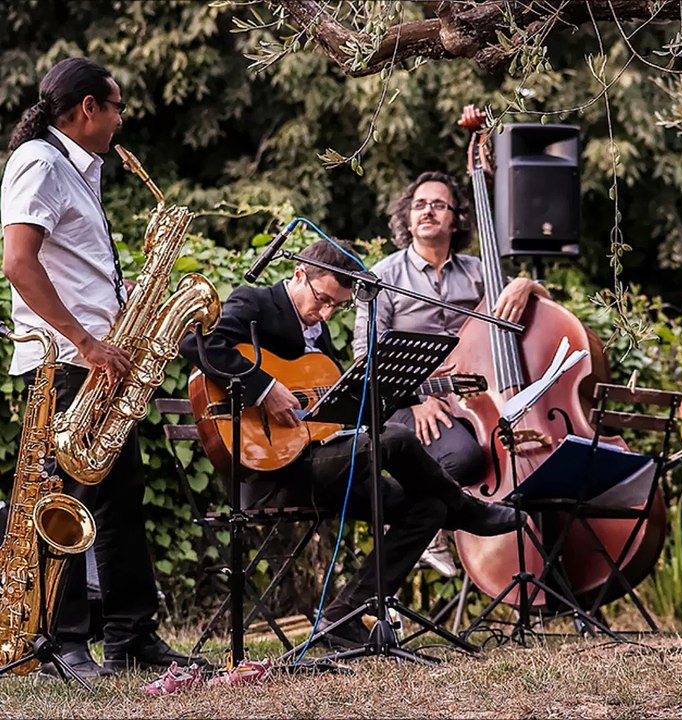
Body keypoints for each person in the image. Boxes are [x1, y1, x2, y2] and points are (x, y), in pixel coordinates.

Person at [180, 238, 519, 647]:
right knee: (397, 437)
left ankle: (342, 617)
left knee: (428, 508)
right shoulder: (254, 302)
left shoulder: (318, 330)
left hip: (326, 462)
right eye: (322, 299)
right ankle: (469, 513)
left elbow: (338, 401)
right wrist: (265, 387)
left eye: (335, 307)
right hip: (272, 469)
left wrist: (406, 388)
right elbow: (195, 343)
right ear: (299, 273)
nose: (325, 312)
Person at [0, 57, 200, 677]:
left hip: (98, 363)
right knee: (67, 503)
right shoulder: (39, 163)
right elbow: (17, 262)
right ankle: (59, 644)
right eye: (115, 107)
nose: (120, 120)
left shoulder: (78, 171)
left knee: (118, 501)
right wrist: (87, 344)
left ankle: (131, 637)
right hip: (66, 366)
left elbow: (71, 267)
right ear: (87, 107)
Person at [353, 169, 548, 576]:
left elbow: (539, 310)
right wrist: (416, 401)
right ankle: (417, 518)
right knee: (464, 457)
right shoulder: (384, 277)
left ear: (455, 219)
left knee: (527, 457)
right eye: (420, 205)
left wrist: (527, 285)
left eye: (439, 205)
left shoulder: (480, 273)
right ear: (407, 217)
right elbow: (363, 353)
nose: (428, 212)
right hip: (411, 395)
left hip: (475, 395)